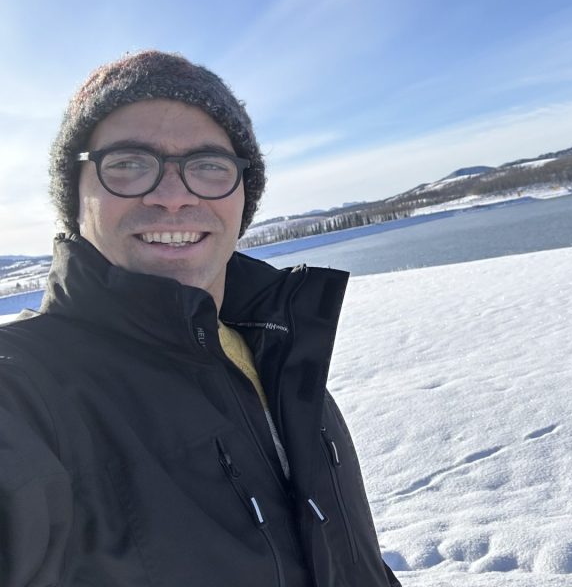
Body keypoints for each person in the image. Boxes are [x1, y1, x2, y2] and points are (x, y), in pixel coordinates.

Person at [0, 51, 401, 586]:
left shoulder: (270, 347)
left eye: (209, 166)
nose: (172, 196)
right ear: (77, 197)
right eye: (127, 164)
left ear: (242, 197)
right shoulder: (26, 391)